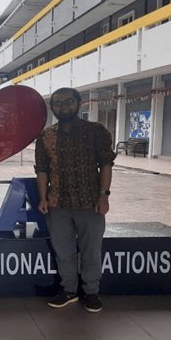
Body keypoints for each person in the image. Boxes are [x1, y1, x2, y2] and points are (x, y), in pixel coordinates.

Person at [34, 87, 116, 313]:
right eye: (58, 103)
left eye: (68, 101)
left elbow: (106, 164)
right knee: (64, 252)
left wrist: (104, 195)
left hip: (91, 203)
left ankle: (91, 292)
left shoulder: (96, 131)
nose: (64, 107)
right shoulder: (46, 136)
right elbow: (42, 169)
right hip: (57, 204)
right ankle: (69, 290)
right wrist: (43, 198)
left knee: (91, 251)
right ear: (52, 108)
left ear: (79, 103)